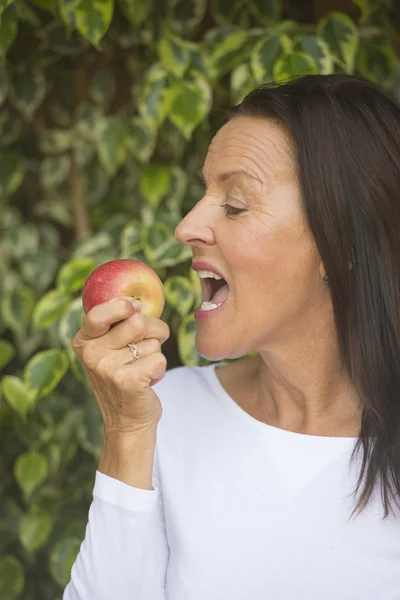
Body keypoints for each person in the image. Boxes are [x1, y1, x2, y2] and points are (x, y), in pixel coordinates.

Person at [63, 74, 400, 600]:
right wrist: (126, 435)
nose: (187, 225)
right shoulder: (164, 411)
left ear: (343, 242)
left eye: (236, 203)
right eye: (204, 192)